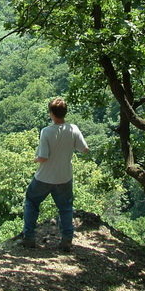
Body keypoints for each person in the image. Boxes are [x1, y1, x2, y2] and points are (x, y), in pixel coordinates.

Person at [18, 98, 89, 251]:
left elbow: (43, 157)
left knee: (31, 201)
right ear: (65, 113)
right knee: (65, 207)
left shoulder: (46, 132)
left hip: (44, 177)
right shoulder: (73, 129)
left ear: (51, 113)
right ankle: (66, 240)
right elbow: (84, 149)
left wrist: (35, 159)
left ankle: (29, 237)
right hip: (64, 177)